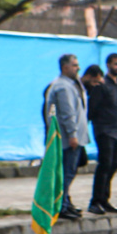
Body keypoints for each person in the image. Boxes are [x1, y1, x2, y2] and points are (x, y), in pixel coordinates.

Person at [44, 54, 90, 220]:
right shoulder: (63, 87)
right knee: (66, 173)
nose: (78, 68)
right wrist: (72, 134)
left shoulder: (69, 85)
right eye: (74, 65)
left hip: (70, 138)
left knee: (67, 173)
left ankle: (64, 203)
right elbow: (67, 113)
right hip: (68, 140)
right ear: (65, 67)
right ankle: (61, 206)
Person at [86, 53, 117, 215]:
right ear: (108, 65)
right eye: (116, 64)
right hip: (104, 130)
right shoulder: (102, 85)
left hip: (116, 130)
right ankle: (95, 201)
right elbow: (93, 108)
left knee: (114, 164)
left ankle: (104, 199)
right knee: (104, 164)